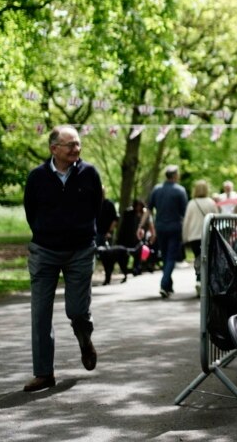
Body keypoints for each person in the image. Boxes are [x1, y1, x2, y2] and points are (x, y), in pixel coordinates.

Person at [21, 125, 102, 392]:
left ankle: (84, 339)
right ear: (54, 148)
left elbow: (96, 208)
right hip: (44, 251)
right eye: (70, 145)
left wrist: (84, 235)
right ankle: (44, 373)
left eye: (78, 144)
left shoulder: (89, 174)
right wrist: (46, 233)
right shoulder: (37, 177)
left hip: (80, 251)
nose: (76, 149)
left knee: (78, 311)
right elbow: (30, 211)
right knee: (40, 314)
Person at [148, 165, 188, 298]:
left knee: (165, 256)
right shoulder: (180, 190)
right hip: (175, 227)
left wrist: (146, 226)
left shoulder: (157, 189)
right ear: (175, 175)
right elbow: (185, 212)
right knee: (171, 257)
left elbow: (149, 209)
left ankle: (168, 286)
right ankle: (164, 284)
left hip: (160, 227)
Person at [183, 179, 220, 295]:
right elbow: (218, 219)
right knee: (208, 259)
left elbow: (186, 221)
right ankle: (207, 284)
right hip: (208, 235)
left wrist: (184, 237)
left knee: (198, 258)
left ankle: (199, 279)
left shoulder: (191, 203)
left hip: (194, 236)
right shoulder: (211, 202)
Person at [116, 199, 151, 274]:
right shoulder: (128, 213)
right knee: (127, 253)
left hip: (139, 238)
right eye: (137, 205)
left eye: (140, 205)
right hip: (128, 237)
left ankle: (136, 268)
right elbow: (124, 226)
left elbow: (147, 225)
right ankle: (124, 268)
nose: (138, 207)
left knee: (138, 254)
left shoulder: (143, 214)